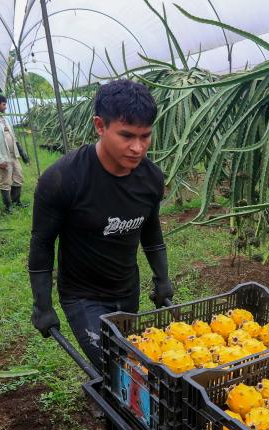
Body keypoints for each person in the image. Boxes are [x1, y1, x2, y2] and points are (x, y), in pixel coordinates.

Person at [27, 79, 172, 369]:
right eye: (127, 135)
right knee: (115, 366)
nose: (137, 148)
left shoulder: (151, 178)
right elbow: (42, 245)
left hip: (127, 288)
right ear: (100, 126)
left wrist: (162, 278)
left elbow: (151, 232)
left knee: (131, 362)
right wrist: (42, 304)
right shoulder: (63, 179)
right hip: (83, 295)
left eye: (145, 136)